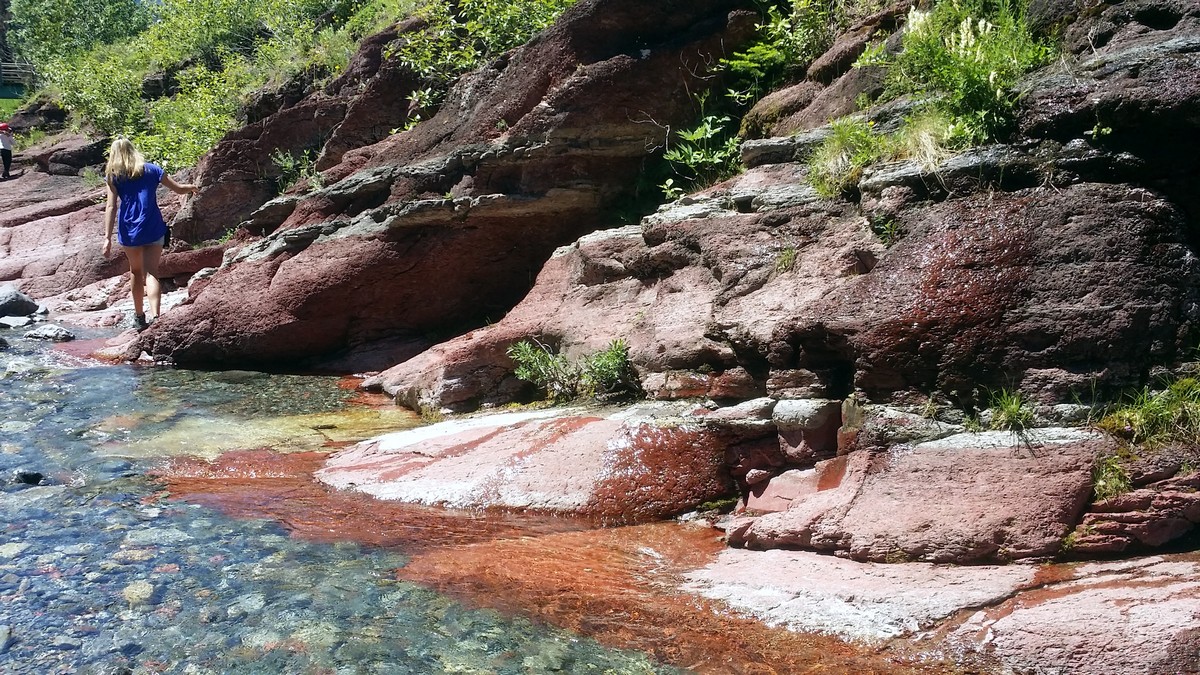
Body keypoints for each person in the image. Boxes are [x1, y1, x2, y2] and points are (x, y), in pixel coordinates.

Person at [101, 137, 198, 331]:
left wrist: (107, 238)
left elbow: (111, 206)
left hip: (129, 230)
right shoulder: (151, 169)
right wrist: (193, 188)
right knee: (152, 272)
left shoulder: (114, 176)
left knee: (136, 272)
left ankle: (139, 317)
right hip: (152, 225)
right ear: (133, 150)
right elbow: (178, 189)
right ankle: (156, 316)